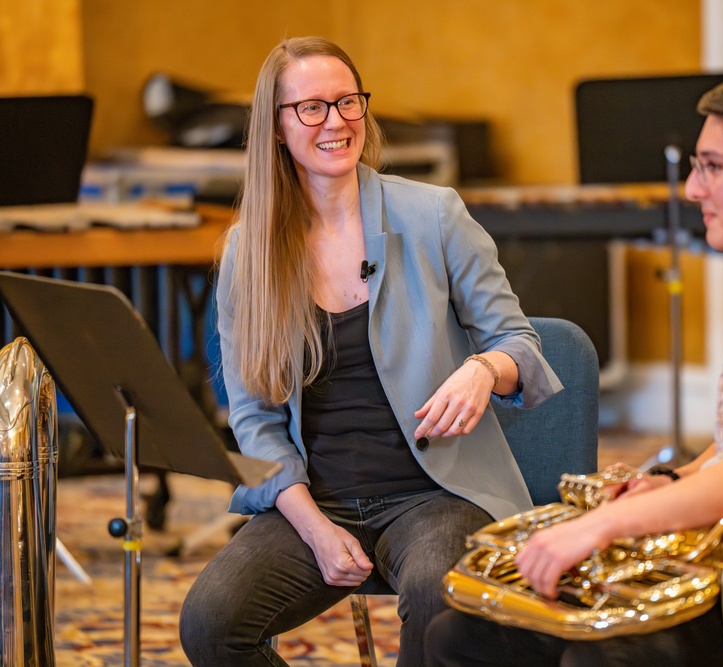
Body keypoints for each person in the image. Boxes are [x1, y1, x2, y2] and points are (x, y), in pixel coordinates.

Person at [425, 74, 723, 666]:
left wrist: (602, 527)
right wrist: (674, 482)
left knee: (595, 656)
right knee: (462, 635)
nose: (692, 187)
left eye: (711, 167)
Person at [178, 36, 562, 667]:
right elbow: (255, 418)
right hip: (317, 497)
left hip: (435, 491)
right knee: (210, 624)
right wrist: (315, 530)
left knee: (441, 604)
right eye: (311, 108)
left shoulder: (434, 214)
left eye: (348, 101)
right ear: (275, 128)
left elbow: (520, 343)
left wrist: (483, 368)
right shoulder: (248, 252)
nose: (336, 121)